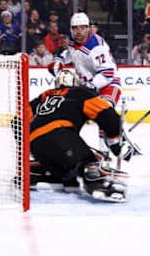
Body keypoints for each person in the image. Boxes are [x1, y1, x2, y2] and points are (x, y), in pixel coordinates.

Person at [29, 70, 129, 202]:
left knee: (67, 164)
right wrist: (115, 143)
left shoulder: (44, 96)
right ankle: (101, 185)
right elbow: (107, 115)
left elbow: (17, 121)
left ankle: (44, 172)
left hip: (34, 142)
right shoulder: (80, 93)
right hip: (60, 136)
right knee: (89, 162)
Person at [49, 12, 121, 153]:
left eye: (83, 27)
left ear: (88, 28)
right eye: (76, 28)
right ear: (71, 29)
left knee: (103, 111)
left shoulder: (96, 47)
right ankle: (67, 150)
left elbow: (107, 74)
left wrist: (91, 86)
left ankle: (104, 151)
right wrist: (60, 60)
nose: (79, 31)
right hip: (87, 86)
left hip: (108, 84)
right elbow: (70, 53)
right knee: (69, 113)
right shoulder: (71, 40)